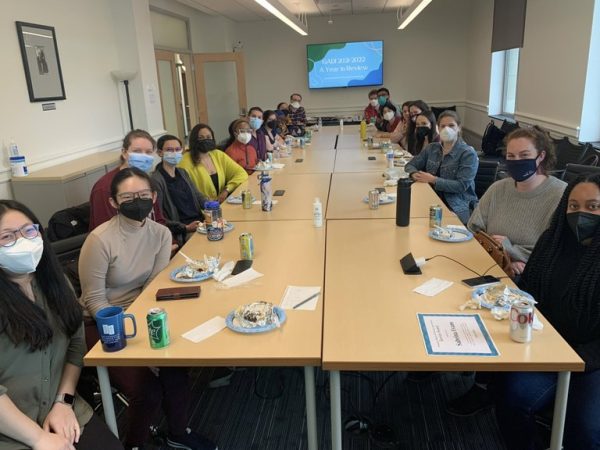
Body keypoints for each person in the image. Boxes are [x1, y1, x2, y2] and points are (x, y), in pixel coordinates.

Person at [79, 168, 217, 450]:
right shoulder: (100, 240)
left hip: (141, 313)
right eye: (128, 197)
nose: (137, 201)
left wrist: (149, 333)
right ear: (114, 203)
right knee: (147, 389)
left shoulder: (161, 234)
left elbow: (150, 288)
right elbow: (94, 300)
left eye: (143, 195)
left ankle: (178, 433)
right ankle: (134, 444)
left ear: (154, 197)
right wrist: (131, 340)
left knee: (174, 369)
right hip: (102, 322)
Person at [446, 126, 566, 417]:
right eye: (511, 156)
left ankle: (486, 385)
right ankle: (449, 363)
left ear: (541, 156)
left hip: (531, 276)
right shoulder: (499, 189)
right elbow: (474, 228)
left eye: (524, 155)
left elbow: (555, 250)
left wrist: (512, 252)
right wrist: (499, 254)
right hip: (491, 265)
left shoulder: (560, 196)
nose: (516, 161)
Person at [0, 200, 122, 450]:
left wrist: (64, 401)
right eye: (7, 236)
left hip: (62, 411)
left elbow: (75, 345)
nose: (23, 240)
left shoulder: (55, 283)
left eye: (28, 230)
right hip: (10, 430)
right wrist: (38, 438)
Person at [493, 173, 600, 450]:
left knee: (585, 430)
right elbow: (529, 292)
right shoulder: (552, 242)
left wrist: (577, 359)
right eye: (573, 206)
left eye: (593, 206)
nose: (581, 214)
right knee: (510, 398)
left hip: (591, 360)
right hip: (547, 347)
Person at [405, 110, 478, 224]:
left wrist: (433, 180)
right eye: (443, 126)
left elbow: (461, 186)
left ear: (458, 128)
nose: (446, 129)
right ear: (438, 128)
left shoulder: (468, 153)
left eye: (451, 125)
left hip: (457, 205)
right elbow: (410, 165)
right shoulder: (432, 148)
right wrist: (415, 174)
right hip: (430, 199)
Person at [89, 129, 166, 231]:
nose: (143, 156)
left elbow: (158, 219)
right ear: (124, 153)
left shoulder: (147, 181)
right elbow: (106, 232)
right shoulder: (104, 188)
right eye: (137, 151)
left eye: (148, 152)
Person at [151, 134, 207, 245]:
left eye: (177, 149)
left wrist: (212, 207)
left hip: (200, 222)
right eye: (169, 150)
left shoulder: (182, 172)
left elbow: (197, 196)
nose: (174, 153)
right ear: (160, 153)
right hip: (182, 231)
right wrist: (185, 228)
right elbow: (159, 217)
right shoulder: (156, 180)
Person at [179, 123, 248, 203]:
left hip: (221, 205)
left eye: (208, 137)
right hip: (201, 209)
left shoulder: (217, 154)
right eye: (201, 138)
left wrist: (227, 190)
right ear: (194, 140)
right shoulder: (184, 162)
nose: (205, 140)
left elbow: (241, 174)